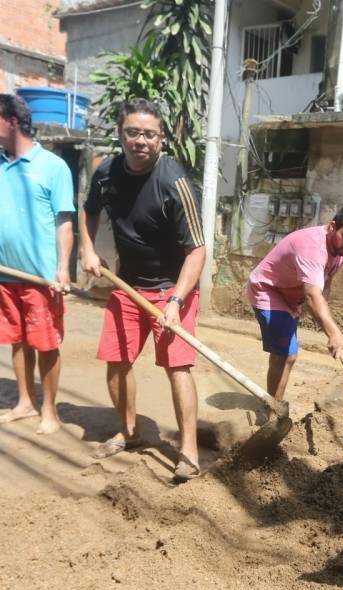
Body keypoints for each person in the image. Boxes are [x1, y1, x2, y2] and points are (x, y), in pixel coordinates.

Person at [79, 99, 207, 482]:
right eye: (132, 132)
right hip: (128, 285)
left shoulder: (174, 182)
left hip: (173, 288)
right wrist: (87, 248)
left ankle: (189, 451)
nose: (140, 141)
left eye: (149, 134)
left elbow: (197, 250)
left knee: (177, 367)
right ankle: (130, 430)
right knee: (117, 361)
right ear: (121, 134)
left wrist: (176, 302)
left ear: (161, 139)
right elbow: (89, 211)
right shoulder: (106, 173)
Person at [0, 93, 76, 435]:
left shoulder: (52, 167)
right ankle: (25, 402)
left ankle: (49, 410)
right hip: (3, 273)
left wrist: (62, 267)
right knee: (18, 339)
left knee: (46, 342)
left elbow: (64, 221)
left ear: (12, 122)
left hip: (39, 276)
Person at [247, 206, 343, 408]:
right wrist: (333, 332)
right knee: (286, 354)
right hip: (268, 290)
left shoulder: (340, 251)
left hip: (290, 297)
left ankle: (274, 405)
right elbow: (312, 295)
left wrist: (324, 320)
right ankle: (273, 409)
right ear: (332, 227)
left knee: (287, 355)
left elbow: (324, 285)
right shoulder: (312, 246)